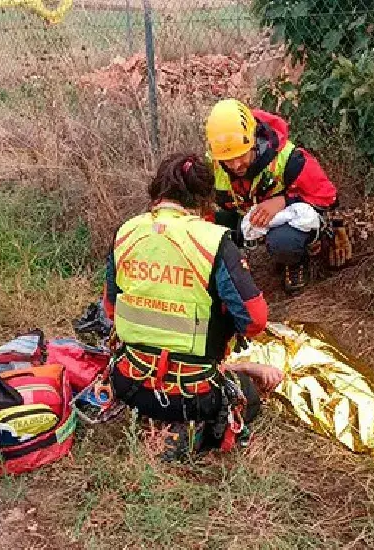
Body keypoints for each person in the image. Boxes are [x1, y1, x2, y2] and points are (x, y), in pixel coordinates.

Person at [102, 152, 283, 461]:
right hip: (192, 395)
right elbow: (254, 320)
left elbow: (110, 309)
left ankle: (155, 421)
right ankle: (188, 428)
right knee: (249, 398)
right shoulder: (213, 241)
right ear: (204, 198)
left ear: (157, 192)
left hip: (128, 384)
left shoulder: (126, 232)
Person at [205, 98, 349, 295]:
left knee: (284, 241)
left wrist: (284, 201)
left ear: (254, 140)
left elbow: (327, 197)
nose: (236, 165)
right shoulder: (214, 165)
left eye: (241, 155)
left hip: (284, 221)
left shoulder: (288, 159)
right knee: (206, 229)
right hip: (245, 213)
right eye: (228, 160)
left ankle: (295, 261)